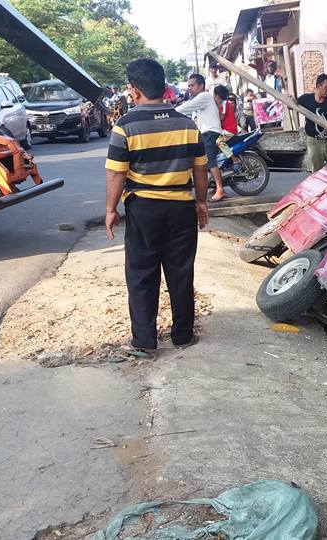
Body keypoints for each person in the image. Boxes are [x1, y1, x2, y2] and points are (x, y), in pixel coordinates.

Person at [104, 58, 209, 352]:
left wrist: (111, 210)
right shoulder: (187, 125)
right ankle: (183, 335)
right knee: (181, 271)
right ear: (163, 87)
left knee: (141, 274)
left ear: (133, 90)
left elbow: (116, 172)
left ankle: (145, 340)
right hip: (181, 208)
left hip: (144, 209)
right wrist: (201, 202)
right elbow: (200, 169)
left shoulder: (125, 126)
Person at [176, 73, 228, 202]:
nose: (190, 88)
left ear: (201, 86)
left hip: (211, 133)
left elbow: (186, 108)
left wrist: (170, 112)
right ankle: (214, 185)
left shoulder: (204, 96)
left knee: (208, 160)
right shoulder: (201, 100)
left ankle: (220, 189)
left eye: (192, 85)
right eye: (188, 86)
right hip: (208, 133)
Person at [297, 73, 327, 172]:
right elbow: (292, 105)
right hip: (314, 141)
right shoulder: (305, 99)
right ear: (318, 86)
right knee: (315, 171)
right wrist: (291, 100)